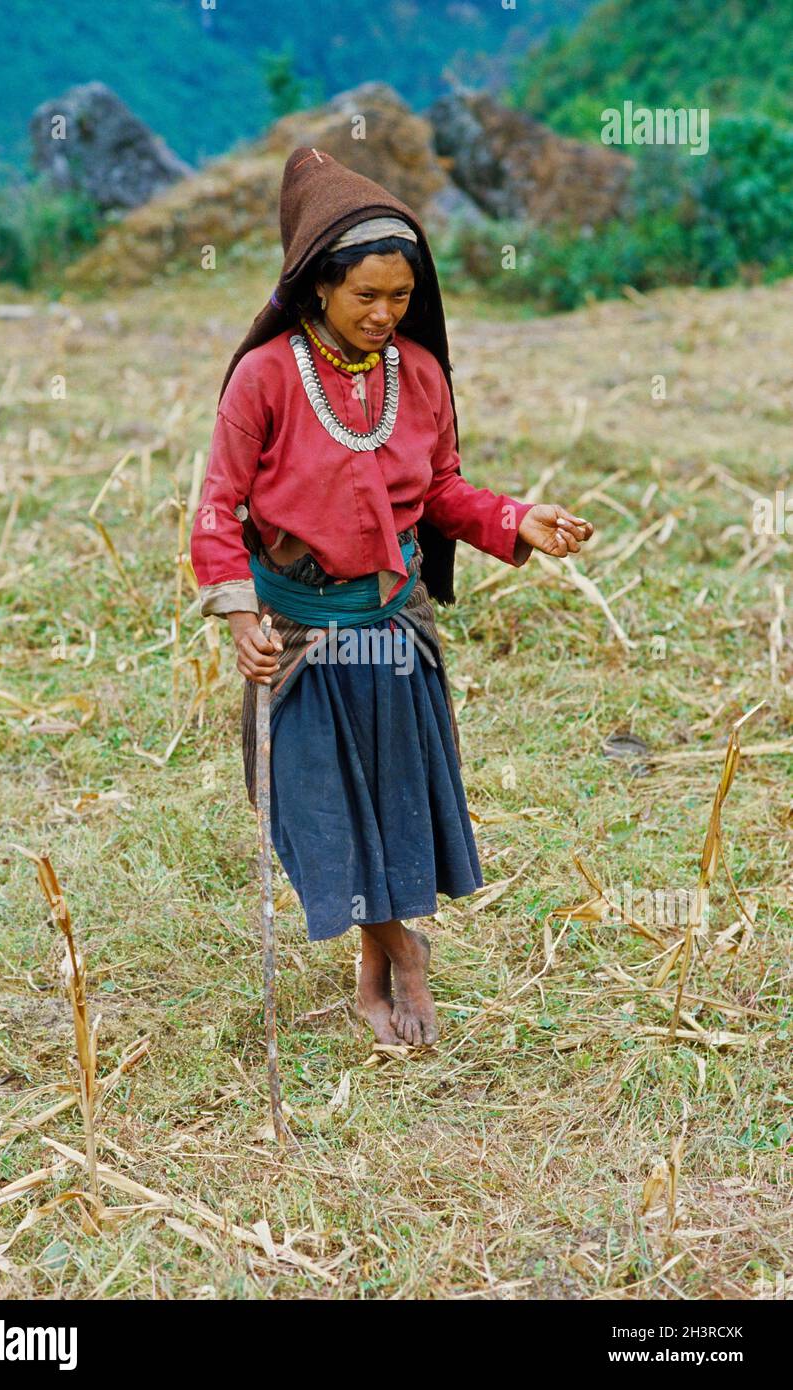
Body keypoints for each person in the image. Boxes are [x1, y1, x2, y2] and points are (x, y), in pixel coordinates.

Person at [190, 146, 593, 1048]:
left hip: (391, 620)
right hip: (297, 623)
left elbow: (440, 491)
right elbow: (217, 506)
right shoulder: (262, 379)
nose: (383, 315)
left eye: (399, 298)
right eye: (364, 296)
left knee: (394, 790)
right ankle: (395, 944)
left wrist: (515, 518)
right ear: (313, 289)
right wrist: (242, 618)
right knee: (311, 803)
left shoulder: (417, 375)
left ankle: (382, 956)